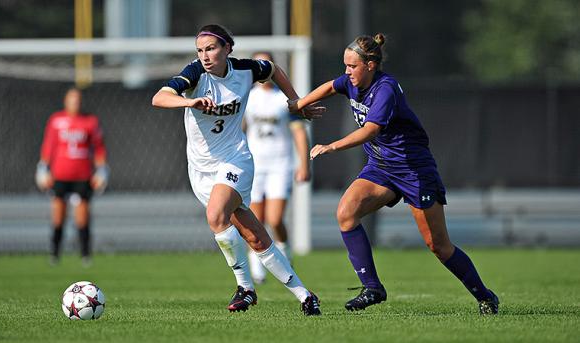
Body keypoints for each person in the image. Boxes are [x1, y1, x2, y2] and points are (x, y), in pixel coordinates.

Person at [288, 33, 499, 315]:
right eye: (345, 65)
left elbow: (371, 130)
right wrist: (299, 104)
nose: (347, 72)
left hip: (413, 170)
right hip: (381, 167)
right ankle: (372, 288)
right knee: (346, 213)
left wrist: (331, 146)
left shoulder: (385, 88)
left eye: (352, 66)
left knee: (438, 246)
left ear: (371, 65)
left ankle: (485, 296)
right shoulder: (351, 82)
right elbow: (329, 86)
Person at [151, 24, 324, 315]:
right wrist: (189, 100)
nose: (205, 56)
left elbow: (273, 69)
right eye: (200, 50)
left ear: (227, 48)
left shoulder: (245, 70)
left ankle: (245, 288)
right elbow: (159, 97)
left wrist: (295, 102)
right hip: (200, 169)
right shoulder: (194, 74)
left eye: (211, 48)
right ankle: (305, 295)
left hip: (235, 159)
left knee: (216, 215)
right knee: (253, 236)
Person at [244, 52, 311, 284]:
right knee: (255, 218)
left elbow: (299, 132)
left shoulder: (283, 98)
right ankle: (257, 267)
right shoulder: (247, 97)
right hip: (254, 164)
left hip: (280, 164)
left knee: (275, 218)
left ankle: (285, 252)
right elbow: (240, 128)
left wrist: (304, 164)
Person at [36, 88, 109, 267]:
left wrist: (102, 170)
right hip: (60, 174)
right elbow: (48, 145)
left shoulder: (90, 121)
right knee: (58, 216)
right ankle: (55, 253)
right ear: (65, 101)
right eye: (72, 99)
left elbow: (99, 147)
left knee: (82, 217)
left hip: (82, 175)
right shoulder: (56, 120)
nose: (75, 103)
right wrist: (42, 168)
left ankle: (85, 255)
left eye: (78, 99)